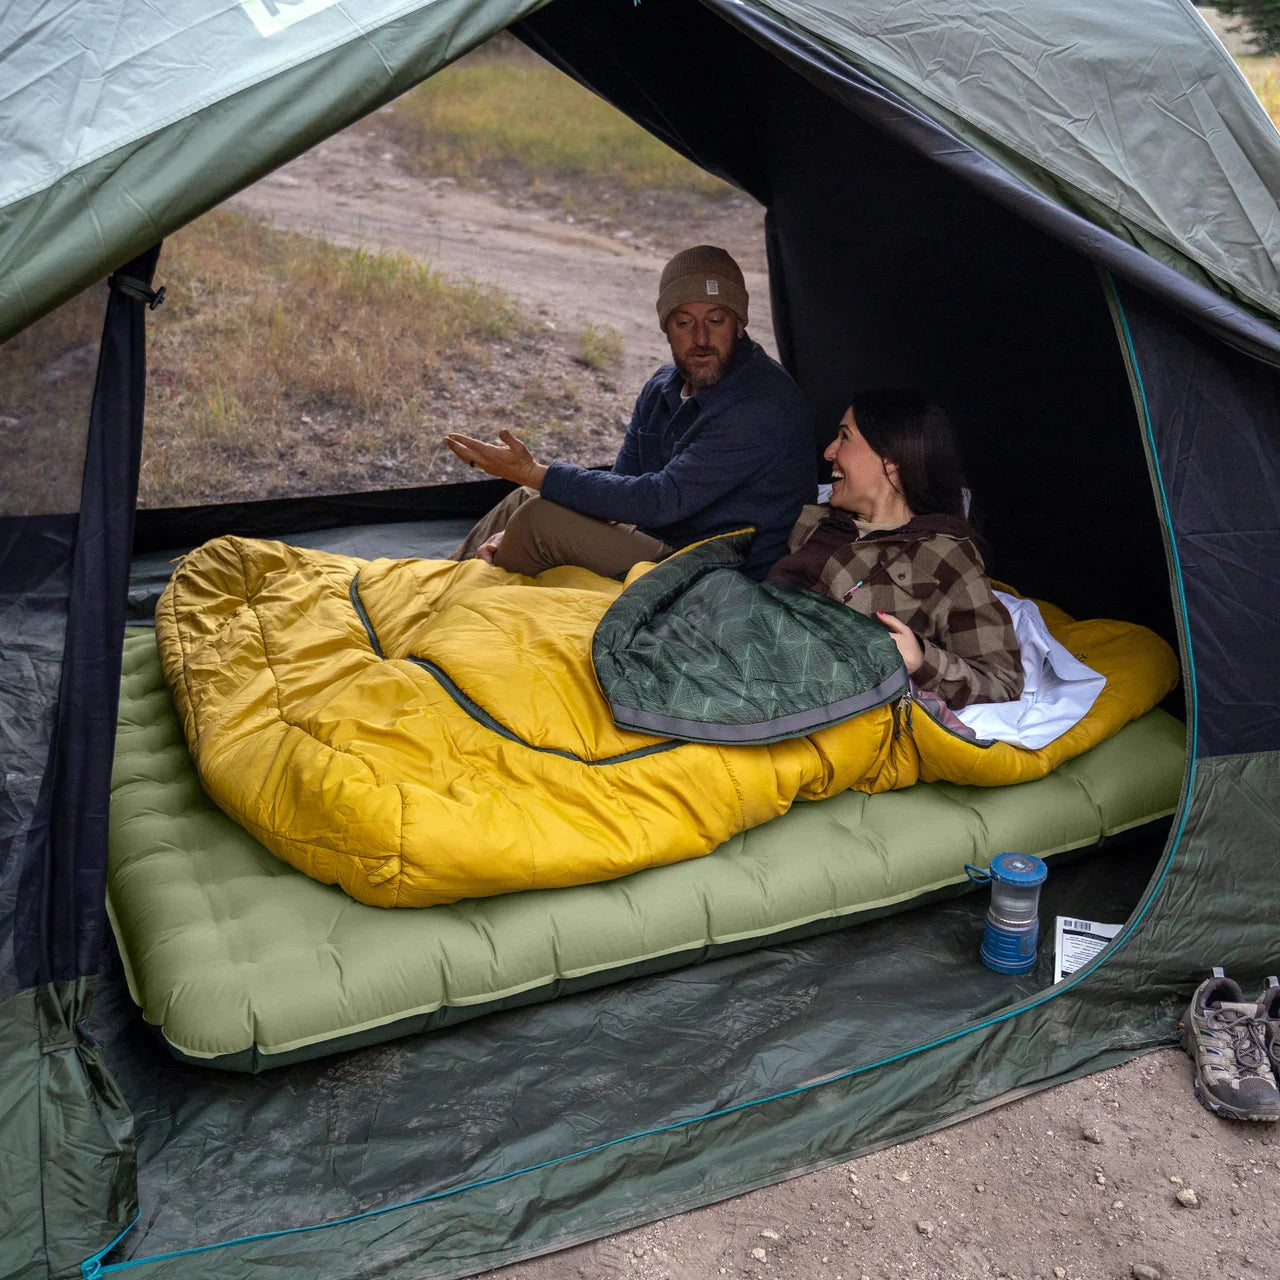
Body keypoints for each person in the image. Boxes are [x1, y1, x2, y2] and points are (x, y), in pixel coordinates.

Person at [444, 244, 814, 579]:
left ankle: (473, 599)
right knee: (523, 500)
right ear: (666, 327)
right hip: (659, 536)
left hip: (714, 567)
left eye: (716, 320)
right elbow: (624, 482)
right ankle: (441, 585)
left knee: (539, 519)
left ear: (739, 325)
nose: (701, 338)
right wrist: (533, 487)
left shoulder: (762, 403)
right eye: (684, 322)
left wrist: (535, 472)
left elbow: (660, 501)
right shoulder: (662, 388)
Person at [768, 390, 1024, 711]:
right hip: (750, 652)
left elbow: (1001, 679)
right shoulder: (816, 519)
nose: (830, 452)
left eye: (844, 437)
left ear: (890, 458)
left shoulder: (944, 556)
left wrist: (920, 658)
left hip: (805, 696)